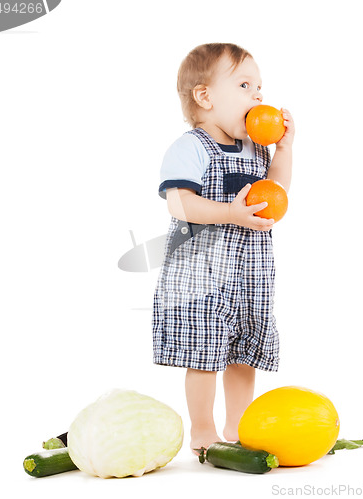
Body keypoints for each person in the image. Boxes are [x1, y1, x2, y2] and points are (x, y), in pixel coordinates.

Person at [152, 42, 294, 452]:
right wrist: (230, 213)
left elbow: (278, 189)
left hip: (249, 271)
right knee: (204, 353)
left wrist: (284, 148)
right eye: (246, 85)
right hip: (200, 275)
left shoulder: (257, 148)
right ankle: (202, 430)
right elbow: (179, 202)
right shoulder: (191, 147)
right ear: (205, 97)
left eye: (260, 87)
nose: (259, 97)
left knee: (243, 351)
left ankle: (237, 428)